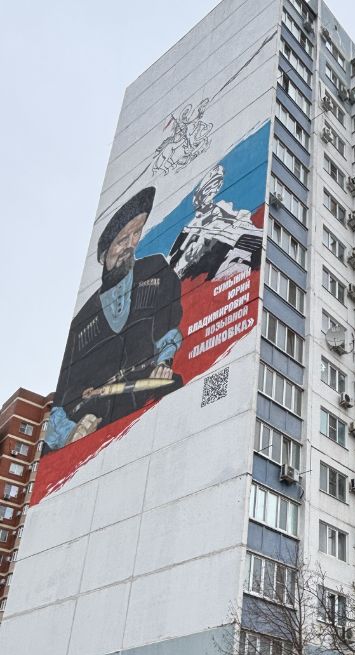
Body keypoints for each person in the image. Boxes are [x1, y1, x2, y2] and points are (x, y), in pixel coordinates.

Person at [47, 187, 183, 450]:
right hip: (97, 433)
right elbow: (59, 405)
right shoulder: (81, 323)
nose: (131, 245)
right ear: (103, 253)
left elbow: (169, 329)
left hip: (146, 416)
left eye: (136, 234)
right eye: (122, 239)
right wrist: (69, 432)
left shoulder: (156, 271)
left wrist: (164, 361)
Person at [169, 164, 263, 280]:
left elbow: (242, 221)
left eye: (216, 186)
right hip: (196, 266)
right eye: (209, 187)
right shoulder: (192, 227)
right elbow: (172, 259)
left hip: (226, 254)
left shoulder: (224, 211)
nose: (213, 190)